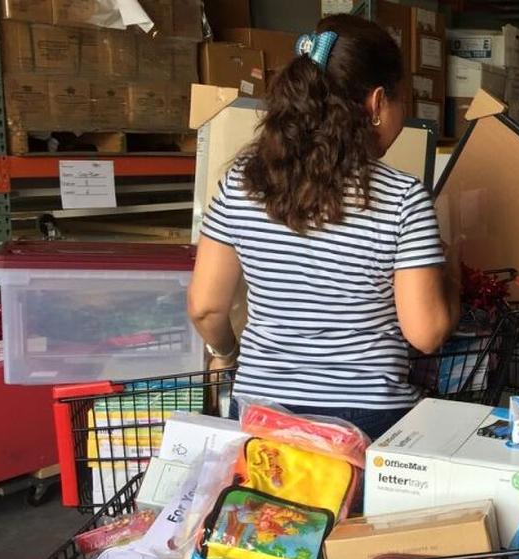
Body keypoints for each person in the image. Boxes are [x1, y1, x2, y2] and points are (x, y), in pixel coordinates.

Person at [187, 14, 460, 440]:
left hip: (263, 415)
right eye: (399, 101)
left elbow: (205, 306)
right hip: (364, 420)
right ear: (375, 103)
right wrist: (451, 274)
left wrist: (226, 353)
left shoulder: (243, 181)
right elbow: (425, 334)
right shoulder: (403, 199)